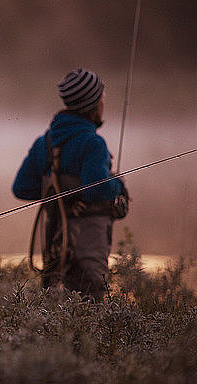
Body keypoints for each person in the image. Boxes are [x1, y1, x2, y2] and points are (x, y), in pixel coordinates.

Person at [12, 68, 128, 301]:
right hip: (88, 248)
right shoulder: (93, 144)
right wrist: (117, 183)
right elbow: (96, 189)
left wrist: (56, 193)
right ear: (93, 104)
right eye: (102, 99)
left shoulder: (44, 142)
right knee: (90, 307)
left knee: (54, 310)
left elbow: (21, 188)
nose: (104, 104)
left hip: (54, 245)